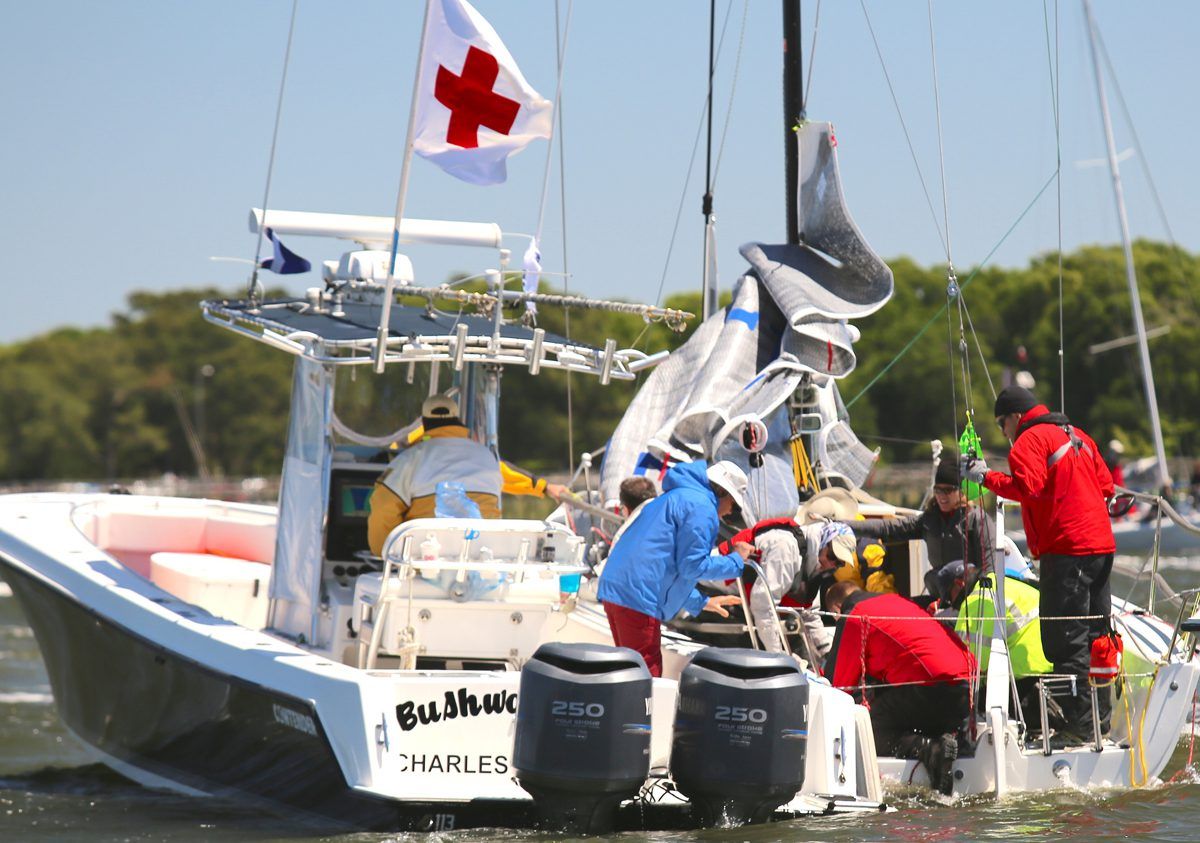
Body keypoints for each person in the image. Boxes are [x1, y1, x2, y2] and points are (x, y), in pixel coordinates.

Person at [962, 384, 1115, 741]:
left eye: (1002, 424)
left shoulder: (1028, 441)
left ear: (1015, 417)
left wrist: (984, 476)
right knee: (1098, 637)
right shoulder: (1081, 436)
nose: (1004, 432)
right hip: (1102, 547)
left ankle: (1078, 730)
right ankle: (1100, 723)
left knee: (1067, 640)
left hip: (1067, 551)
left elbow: (1027, 486)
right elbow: (1107, 487)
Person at [597, 460, 753, 677]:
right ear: (721, 491)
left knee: (630, 672)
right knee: (646, 677)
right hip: (638, 597)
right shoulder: (702, 507)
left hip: (618, 589)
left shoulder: (677, 495)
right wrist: (736, 560)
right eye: (734, 506)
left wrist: (701, 602)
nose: (729, 513)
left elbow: (666, 564)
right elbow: (692, 566)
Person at [824, 581, 976, 795]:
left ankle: (929, 749)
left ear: (837, 609)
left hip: (931, 686)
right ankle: (951, 742)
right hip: (963, 687)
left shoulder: (855, 615)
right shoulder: (897, 601)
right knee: (897, 707)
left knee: (868, 730)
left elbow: (840, 685)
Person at [367, 394, 567, 555]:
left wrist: (385, 551)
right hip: (483, 559)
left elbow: (383, 506)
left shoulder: (410, 459)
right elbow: (509, 475)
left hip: (425, 560)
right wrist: (545, 487)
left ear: (425, 424)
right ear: (457, 420)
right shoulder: (485, 456)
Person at [854, 455, 994, 599]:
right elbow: (888, 528)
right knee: (908, 605)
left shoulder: (977, 519)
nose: (941, 496)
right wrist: (848, 526)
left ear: (962, 491)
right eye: (937, 490)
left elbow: (990, 566)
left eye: (948, 490)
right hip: (941, 596)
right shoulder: (929, 519)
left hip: (971, 596)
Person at [950, 560, 1055, 726]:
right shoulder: (1007, 584)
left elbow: (973, 664)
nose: (953, 606)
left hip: (1025, 681)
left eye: (950, 598)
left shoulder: (976, 600)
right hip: (1052, 668)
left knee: (964, 699)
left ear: (959, 584)